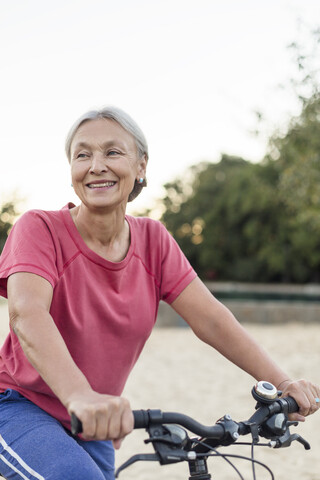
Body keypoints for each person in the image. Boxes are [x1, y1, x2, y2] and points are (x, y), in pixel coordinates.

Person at [0, 106, 318, 480]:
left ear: (141, 166)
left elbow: (212, 320)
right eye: (82, 155)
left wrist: (281, 383)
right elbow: (27, 313)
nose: (96, 165)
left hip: (96, 421)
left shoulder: (153, 241)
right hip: (20, 405)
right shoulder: (39, 229)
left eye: (112, 152)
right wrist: (80, 397)